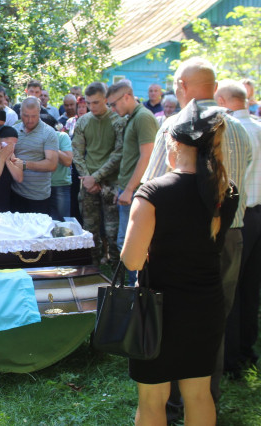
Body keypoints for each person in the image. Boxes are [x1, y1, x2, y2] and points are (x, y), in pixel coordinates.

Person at [141, 57, 252, 415]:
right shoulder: (239, 128)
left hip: (178, 242)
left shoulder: (175, 126)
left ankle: (175, 404)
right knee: (212, 321)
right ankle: (204, 400)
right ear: (214, 87)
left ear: (181, 86)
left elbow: (152, 187)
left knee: (170, 322)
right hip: (230, 235)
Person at [121, 100, 238, 426]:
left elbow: (131, 259)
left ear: (172, 141)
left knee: (152, 400)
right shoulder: (226, 191)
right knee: (199, 395)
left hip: (157, 309)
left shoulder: (153, 192)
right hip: (205, 305)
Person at [215, 79, 261, 379]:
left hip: (240, 216)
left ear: (223, 100)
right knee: (251, 287)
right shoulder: (257, 126)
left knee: (230, 287)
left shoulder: (232, 131)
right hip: (257, 213)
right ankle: (246, 348)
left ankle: (230, 358)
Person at [106, 80, 157, 285]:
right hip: (128, 189)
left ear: (127, 97)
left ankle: (136, 289)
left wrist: (128, 189)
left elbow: (147, 156)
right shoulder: (133, 117)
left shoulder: (143, 117)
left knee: (132, 245)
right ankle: (131, 288)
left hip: (137, 191)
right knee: (125, 243)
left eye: (113, 104)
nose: (112, 109)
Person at [72, 82, 125, 266]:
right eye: (88, 103)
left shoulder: (118, 121)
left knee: (113, 231)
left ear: (105, 99)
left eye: (96, 102)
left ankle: (116, 269)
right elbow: (77, 153)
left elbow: (118, 154)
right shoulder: (83, 121)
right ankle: (93, 266)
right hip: (88, 182)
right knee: (89, 230)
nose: (91, 107)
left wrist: (96, 177)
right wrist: (88, 178)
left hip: (111, 182)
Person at [10, 97, 59, 213]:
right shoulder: (13, 130)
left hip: (39, 196)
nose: (30, 120)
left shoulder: (48, 133)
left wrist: (25, 164)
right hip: (15, 193)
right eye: (26, 116)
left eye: (34, 116)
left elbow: (52, 164)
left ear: (39, 112)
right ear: (20, 112)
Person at [45, 120, 73, 221]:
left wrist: (50, 145)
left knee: (62, 222)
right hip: (38, 187)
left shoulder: (61, 137)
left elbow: (68, 161)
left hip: (59, 186)